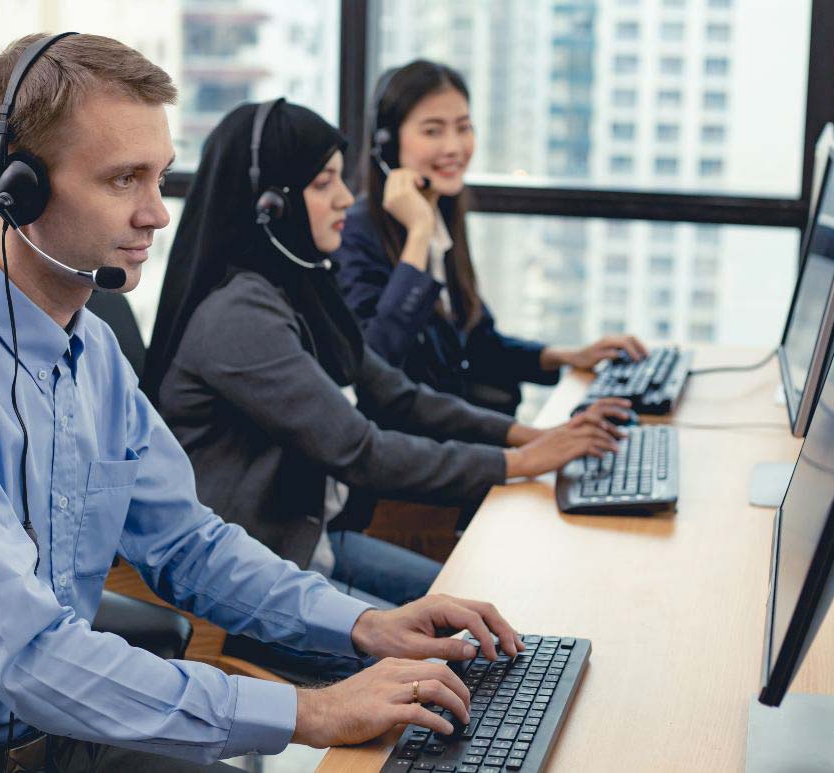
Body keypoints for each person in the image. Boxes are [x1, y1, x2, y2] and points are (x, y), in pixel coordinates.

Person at [0, 33, 527, 772]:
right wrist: (314, 710)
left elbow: (187, 545)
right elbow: (30, 656)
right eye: (123, 180)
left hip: (68, 739)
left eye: (161, 178)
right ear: (21, 191)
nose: (157, 214)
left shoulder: (92, 352)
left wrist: (367, 625)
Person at [139, 99, 623, 678]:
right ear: (272, 206)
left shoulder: (297, 286)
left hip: (321, 540)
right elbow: (360, 450)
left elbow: (397, 395)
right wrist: (518, 461)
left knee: (507, 632)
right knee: (473, 666)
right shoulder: (239, 316)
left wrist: (534, 437)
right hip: (263, 587)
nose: (346, 197)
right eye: (324, 184)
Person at [335, 60, 649, 418]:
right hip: (409, 454)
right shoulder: (358, 231)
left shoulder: (443, 213)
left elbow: (477, 341)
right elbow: (376, 361)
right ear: (387, 144)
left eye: (464, 128)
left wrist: (566, 355)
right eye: (433, 131)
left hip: (461, 438)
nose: (454, 146)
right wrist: (418, 237)